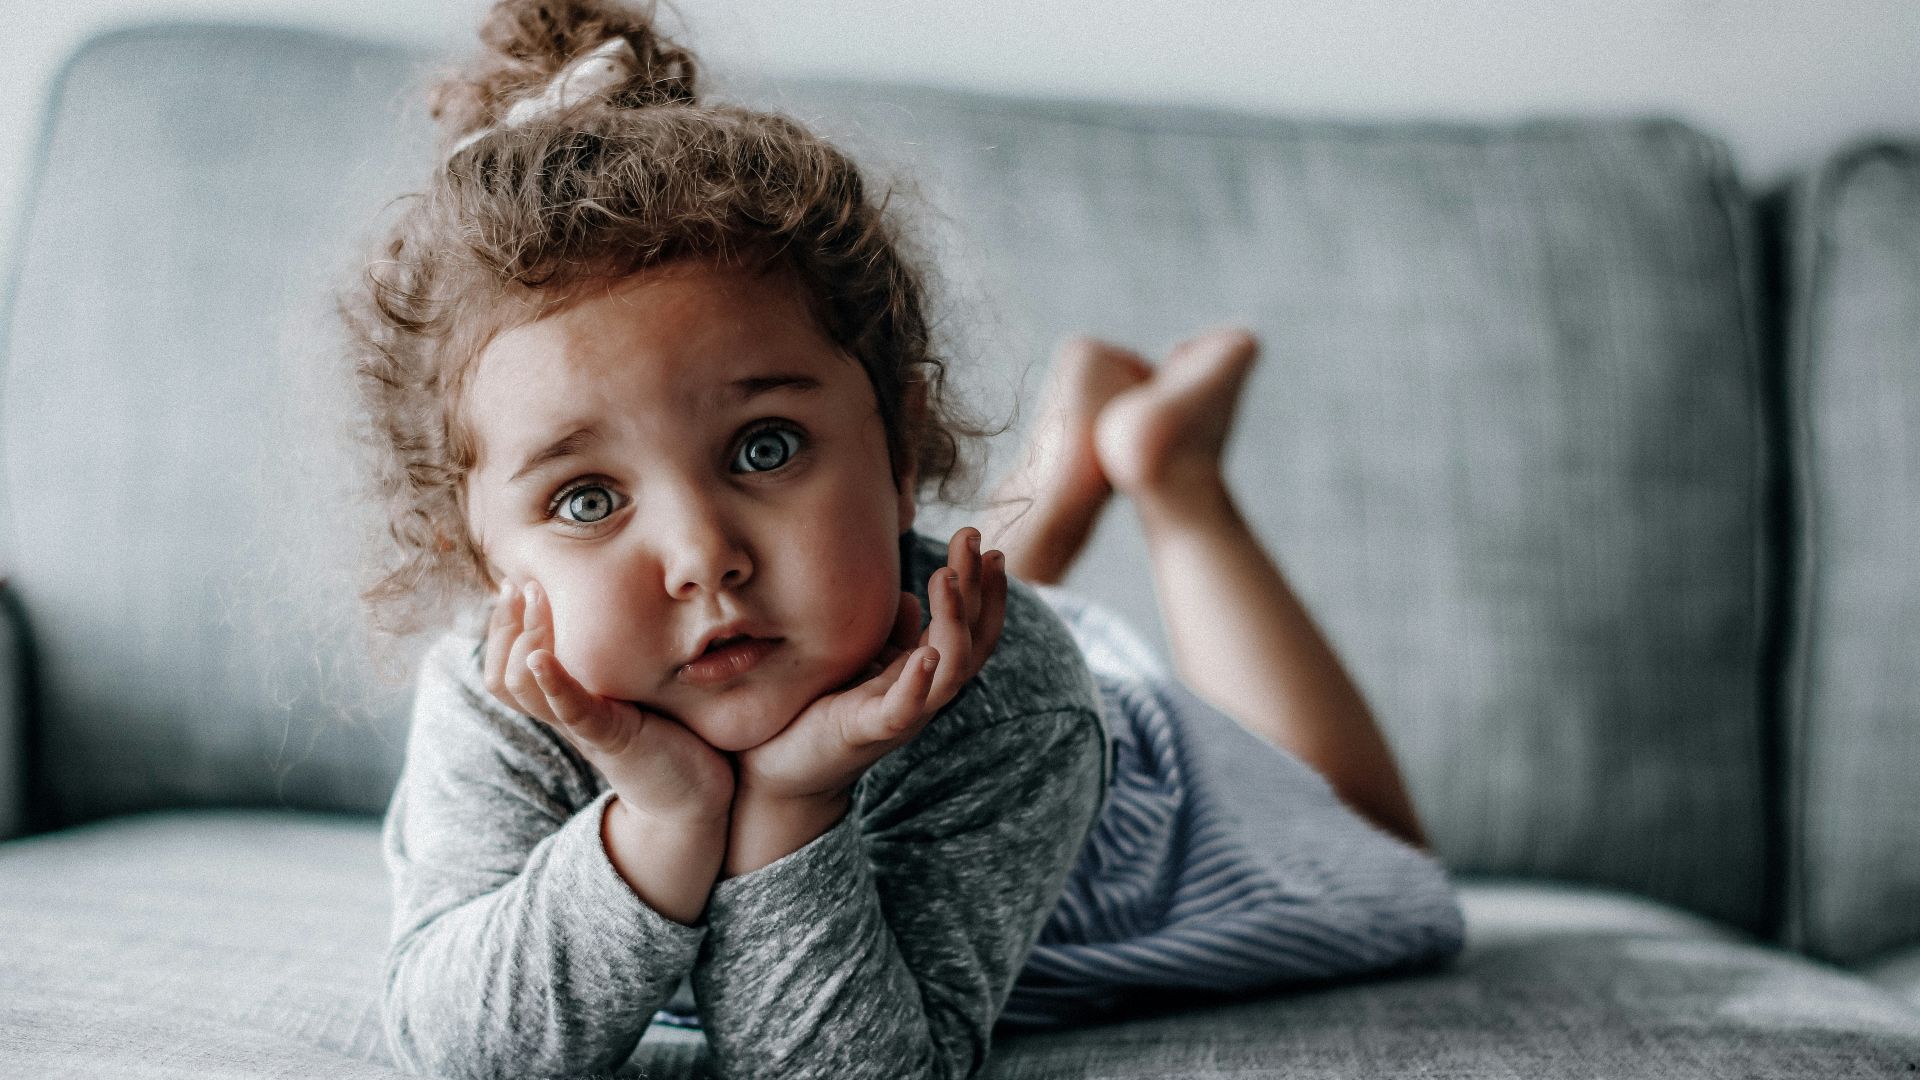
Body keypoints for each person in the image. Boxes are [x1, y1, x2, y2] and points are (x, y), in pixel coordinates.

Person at [346, 2, 1463, 1077]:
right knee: (894, 612)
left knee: (1388, 857)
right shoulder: (500, 699)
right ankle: (1069, 467)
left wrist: (789, 806)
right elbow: (463, 1047)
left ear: (902, 447)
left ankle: (1179, 483)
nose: (702, 557)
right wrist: (662, 819)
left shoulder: (1017, 706)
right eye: (588, 501)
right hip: (910, 633)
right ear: (480, 558)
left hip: (1133, 807)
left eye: (766, 447)